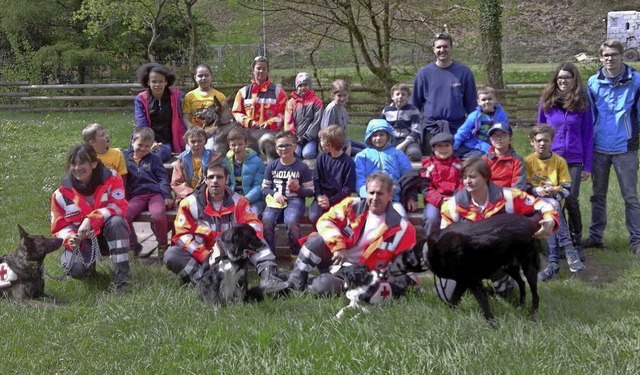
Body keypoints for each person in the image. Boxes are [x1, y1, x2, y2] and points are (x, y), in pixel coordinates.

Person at [438, 157, 558, 297]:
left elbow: (544, 205)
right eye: (464, 177)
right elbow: (444, 240)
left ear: (486, 177)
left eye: (472, 177)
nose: (467, 181)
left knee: (507, 295)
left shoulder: (509, 197)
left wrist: (549, 221)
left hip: (499, 257)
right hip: (466, 258)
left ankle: (503, 280)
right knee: (448, 297)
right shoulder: (451, 206)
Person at [164, 161, 289, 294]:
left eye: (219, 177)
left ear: (227, 179)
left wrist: (236, 247)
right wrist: (205, 256)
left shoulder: (239, 202)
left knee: (257, 240)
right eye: (211, 177)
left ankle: (270, 277)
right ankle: (203, 281)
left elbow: (254, 225)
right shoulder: (189, 203)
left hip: (230, 254)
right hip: (202, 256)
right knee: (172, 254)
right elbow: (182, 236)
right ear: (205, 180)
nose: (215, 181)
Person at [286, 173, 417, 295]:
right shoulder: (351, 205)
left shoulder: (403, 228)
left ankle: (311, 284)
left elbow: (407, 266)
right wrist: (338, 246)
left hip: (359, 275)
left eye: (380, 193)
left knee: (323, 286)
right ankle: (293, 284)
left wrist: (383, 283)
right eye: (371, 193)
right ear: (366, 191)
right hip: (335, 257)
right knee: (316, 240)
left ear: (390, 194)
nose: (375, 198)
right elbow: (324, 221)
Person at [50, 144, 130, 293]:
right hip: (82, 240)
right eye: (73, 163)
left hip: (108, 235)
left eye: (82, 163)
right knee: (77, 270)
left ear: (93, 164)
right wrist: (71, 238)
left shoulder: (111, 179)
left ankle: (122, 279)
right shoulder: (60, 194)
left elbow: (120, 206)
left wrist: (91, 219)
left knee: (117, 222)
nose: (77, 168)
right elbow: (59, 227)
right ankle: (91, 273)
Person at [585, 40, 640, 256]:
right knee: (597, 195)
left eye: (614, 54)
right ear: (600, 58)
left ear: (622, 55)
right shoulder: (593, 82)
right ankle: (596, 237)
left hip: (625, 148)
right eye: (606, 55)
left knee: (630, 197)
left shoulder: (636, 81)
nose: (610, 58)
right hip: (599, 147)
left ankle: (636, 241)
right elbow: (589, 116)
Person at [524, 125, 585, 280]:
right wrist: (538, 191)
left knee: (552, 209)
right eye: (538, 141)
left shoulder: (559, 161)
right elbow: (523, 188)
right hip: (533, 202)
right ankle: (569, 247)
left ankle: (553, 264)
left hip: (553, 201)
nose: (542, 144)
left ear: (552, 142)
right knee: (553, 207)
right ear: (532, 142)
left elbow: (567, 189)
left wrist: (554, 191)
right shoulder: (527, 162)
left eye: (546, 140)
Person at [411, 32, 477, 154]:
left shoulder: (464, 72)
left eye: (445, 46)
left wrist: (474, 130)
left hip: (457, 130)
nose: (442, 50)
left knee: (456, 168)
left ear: (451, 48)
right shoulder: (424, 74)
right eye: (439, 47)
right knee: (431, 169)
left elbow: (472, 106)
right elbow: (414, 105)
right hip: (431, 130)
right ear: (433, 49)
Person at [123, 127, 174, 259]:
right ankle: (133, 244)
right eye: (140, 145)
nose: (143, 149)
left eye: (147, 146)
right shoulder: (125, 158)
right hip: (137, 196)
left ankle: (162, 244)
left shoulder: (154, 159)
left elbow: (163, 177)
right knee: (124, 215)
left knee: (157, 215)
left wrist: (167, 196)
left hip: (154, 194)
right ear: (132, 142)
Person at [261, 131, 315, 256]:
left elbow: (311, 191)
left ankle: (295, 252)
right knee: (267, 220)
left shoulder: (302, 167)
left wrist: (297, 189)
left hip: (294, 200)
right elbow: (264, 188)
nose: (284, 149)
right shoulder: (272, 166)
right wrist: (274, 194)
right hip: (276, 201)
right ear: (276, 148)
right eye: (280, 146)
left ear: (294, 146)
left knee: (291, 221)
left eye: (287, 145)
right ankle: (270, 253)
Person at [134, 63, 186, 162]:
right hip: (145, 139)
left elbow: (184, 121)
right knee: (137, 154)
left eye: (160, 81)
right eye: (154, 81)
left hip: (166, 143)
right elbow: (141, 124)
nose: (157, 85)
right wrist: (151, 142)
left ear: (166, 82)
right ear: (148, 82)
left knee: (158, 155)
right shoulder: (140, 99)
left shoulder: (178, 97)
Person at [354, 119, 413, 203]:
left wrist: (411, 198)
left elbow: (408, 177)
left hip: (393, 198)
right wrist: (365, 194)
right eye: (374, 135)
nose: (378, 138)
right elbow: (359, 179)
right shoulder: (362, 156)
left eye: (382, 135)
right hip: (370, 199)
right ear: (369, 137)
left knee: (399, 215)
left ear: (388, 136)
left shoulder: (398, 155)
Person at [417, 132, 463, 237]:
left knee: (461, 216)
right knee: (431, 218)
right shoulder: (429, 166)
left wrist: (454, 199)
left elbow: (462, 184)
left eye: (447, 145)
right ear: (433, 149)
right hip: (435, 202)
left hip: (455, 199)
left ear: (452, 147)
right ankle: (430, 243)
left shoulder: (458, 165)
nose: (443, 149)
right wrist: (440, 200)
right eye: (439, 146)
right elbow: (426, 188)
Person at [309, 125, 356, 225]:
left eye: (321, 140)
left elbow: (347, 189)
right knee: (314, 216)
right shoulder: (321, 157)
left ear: (329, 144)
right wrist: (319, 196)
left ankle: (334, 237)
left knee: (337, 219)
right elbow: (316, 179)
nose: (320, 143)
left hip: (339, 199)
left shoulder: (348, 163)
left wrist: (330, 201)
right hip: (322, 196)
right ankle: (320, 237)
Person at [171, 127, 232, 204]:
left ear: (205, 141)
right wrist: (191, 193)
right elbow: (177, 183)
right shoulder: (181, 160)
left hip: (211, 194)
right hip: (188, 195)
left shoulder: (214, 158)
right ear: (187, 142)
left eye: (200, 141)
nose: (196, 144)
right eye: (193, 141)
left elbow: (224, 177)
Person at [232, 56, 287, 131]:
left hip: (271, 135)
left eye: (264, 69)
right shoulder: (243, 92)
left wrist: (270, 124)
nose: (261, 71)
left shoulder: (279, 92)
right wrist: (249, 122)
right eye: (258, 68)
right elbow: (236, 112)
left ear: (268, 71)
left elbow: (284, 113)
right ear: (253, 70)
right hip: (248, 135)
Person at [453, 86, 508, 159]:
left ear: (495, 100)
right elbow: (463, 131)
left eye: (489, 99)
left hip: (486, 145)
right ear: (478, 102)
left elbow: (505, 131)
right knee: (452, 155)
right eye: (483, 100)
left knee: (470, 159)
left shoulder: (501, 115)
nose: (487, 102)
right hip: (471, 142)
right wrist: (454, 145)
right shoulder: (474, 115)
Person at [181, 64, 227, 151]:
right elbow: (186, 117)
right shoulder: (189, 96)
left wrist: (212, 129)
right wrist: (193, 129)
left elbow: (223, 119)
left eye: (206, 75)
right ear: (195, 78)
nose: (203, 78)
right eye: (200, 76)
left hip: (212, 133)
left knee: (209, 148)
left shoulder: (220, 96)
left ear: (211, 76)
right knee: (190, 150)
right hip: (194, 133)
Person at [225, 126, 266, 216]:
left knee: (251, 215)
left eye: (240, 144)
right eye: (233, 145)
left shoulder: (257, 162)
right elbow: (225, 184)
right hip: (232, 197)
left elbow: (259, 185)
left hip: (252, 199)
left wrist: (246, 199)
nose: (237, 148)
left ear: (246, 143)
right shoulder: (226, 162)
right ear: (229, 145)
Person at [320, 79, 366, 156]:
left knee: (365, 146)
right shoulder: (331, 109)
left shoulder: (342, 108)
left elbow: (344, 131)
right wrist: (346, 147)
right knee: (363, 153)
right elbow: (327, 134)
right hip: (335, 145)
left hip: (343, 141)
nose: (342, 98)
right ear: (333, 95)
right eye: (339, 95)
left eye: (344, 95)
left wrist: (348, 144)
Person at [284, 72, 323, 160]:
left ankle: (315, 150)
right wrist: (292, 136)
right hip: (296, 138)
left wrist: (307, 137)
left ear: (310, 86)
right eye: (300, 85)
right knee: (295, 153)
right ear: (297, 87)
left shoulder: (316, 101)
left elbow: (316, 121)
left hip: (310, 138)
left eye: (305, 85)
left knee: (307, 154)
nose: (303, 88)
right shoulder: (291, 102)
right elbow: (288, 121)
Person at [380, 83, 423, 162]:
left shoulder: (413, 110)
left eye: (403, 94)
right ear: (392, 97)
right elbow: (381, 127)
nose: (400, 97)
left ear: (408, 97)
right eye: (397, 94)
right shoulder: (386, 110)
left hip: (408, 141)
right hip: (391, 140)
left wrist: (404, 144)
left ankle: (405, 165)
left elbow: (416, 130)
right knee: (384, 154)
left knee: (415, 154)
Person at [482, 123, 527, 190]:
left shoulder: (517, 160)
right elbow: (481, 182)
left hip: (510, 195)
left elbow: (518, 186)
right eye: (495, 136)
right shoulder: (484, 159)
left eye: (503, 136)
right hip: (488, 195)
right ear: (491, 140)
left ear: (510, 139)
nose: (498, 139)